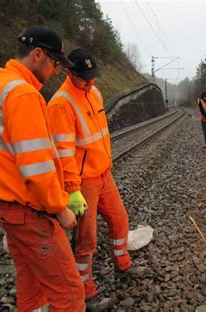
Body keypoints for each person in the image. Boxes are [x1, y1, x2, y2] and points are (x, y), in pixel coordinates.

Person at [0, 26, 85, 311]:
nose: (55, 70)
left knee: (30, 284)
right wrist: (59, 207)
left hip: (6, 205)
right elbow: (36, 166)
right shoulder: (23, 95)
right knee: (70, 293)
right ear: (38, 55)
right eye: (54, 63)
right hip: (29, 210)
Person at [47, 48, 133, 307]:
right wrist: (72, 189)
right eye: (84, 77)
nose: (90, 81)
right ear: (68, 71)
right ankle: (84, 291)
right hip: (83, 181)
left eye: (92, 76)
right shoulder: (61, 104)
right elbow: (63, 153)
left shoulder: (94, 93)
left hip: (103, 173)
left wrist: (106, 164)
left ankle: (123, 265)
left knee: (120, 220)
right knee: (86, 239)